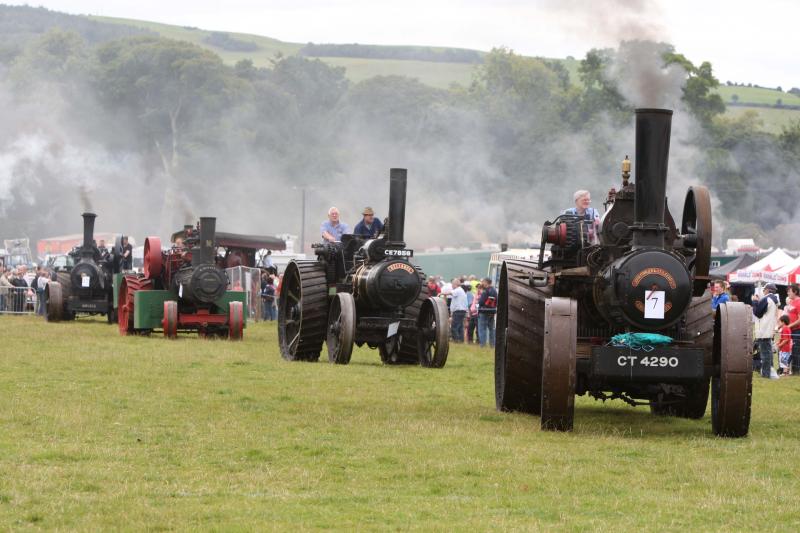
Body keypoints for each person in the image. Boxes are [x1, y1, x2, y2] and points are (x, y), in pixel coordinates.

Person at [752, 283, 780, 379]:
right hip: (769, 329)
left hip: (763, 330)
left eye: (764, 290)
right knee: (768, 353)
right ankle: (770, 372)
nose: (763, 291)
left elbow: (757, 313)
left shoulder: (766, 299)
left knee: (765, 354)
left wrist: (755, 302)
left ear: (767, 290)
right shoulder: (774, 300)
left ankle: (766, 374)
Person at [478, 277, 498, 348]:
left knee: (482, 328)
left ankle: (482, 345)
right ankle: (492, 345)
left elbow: (484, 302)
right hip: (492, 311)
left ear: (486, 282)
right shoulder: (493, 290)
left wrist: (481, 303)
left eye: (483, 282)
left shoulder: (487, 291)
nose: (482, 283)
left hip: (485, 311)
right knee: (491, 328)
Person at [449, 278, 468, 343]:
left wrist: (442, 293)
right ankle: (461, 340)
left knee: (454, 327)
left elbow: (450, 293)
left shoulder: (458, 290)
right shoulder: (461, 290)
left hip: (458, 311)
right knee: (460, 327)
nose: (452, 285)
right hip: (461, 311)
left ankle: (456, 340)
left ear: (455, 284)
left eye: (452, 284)